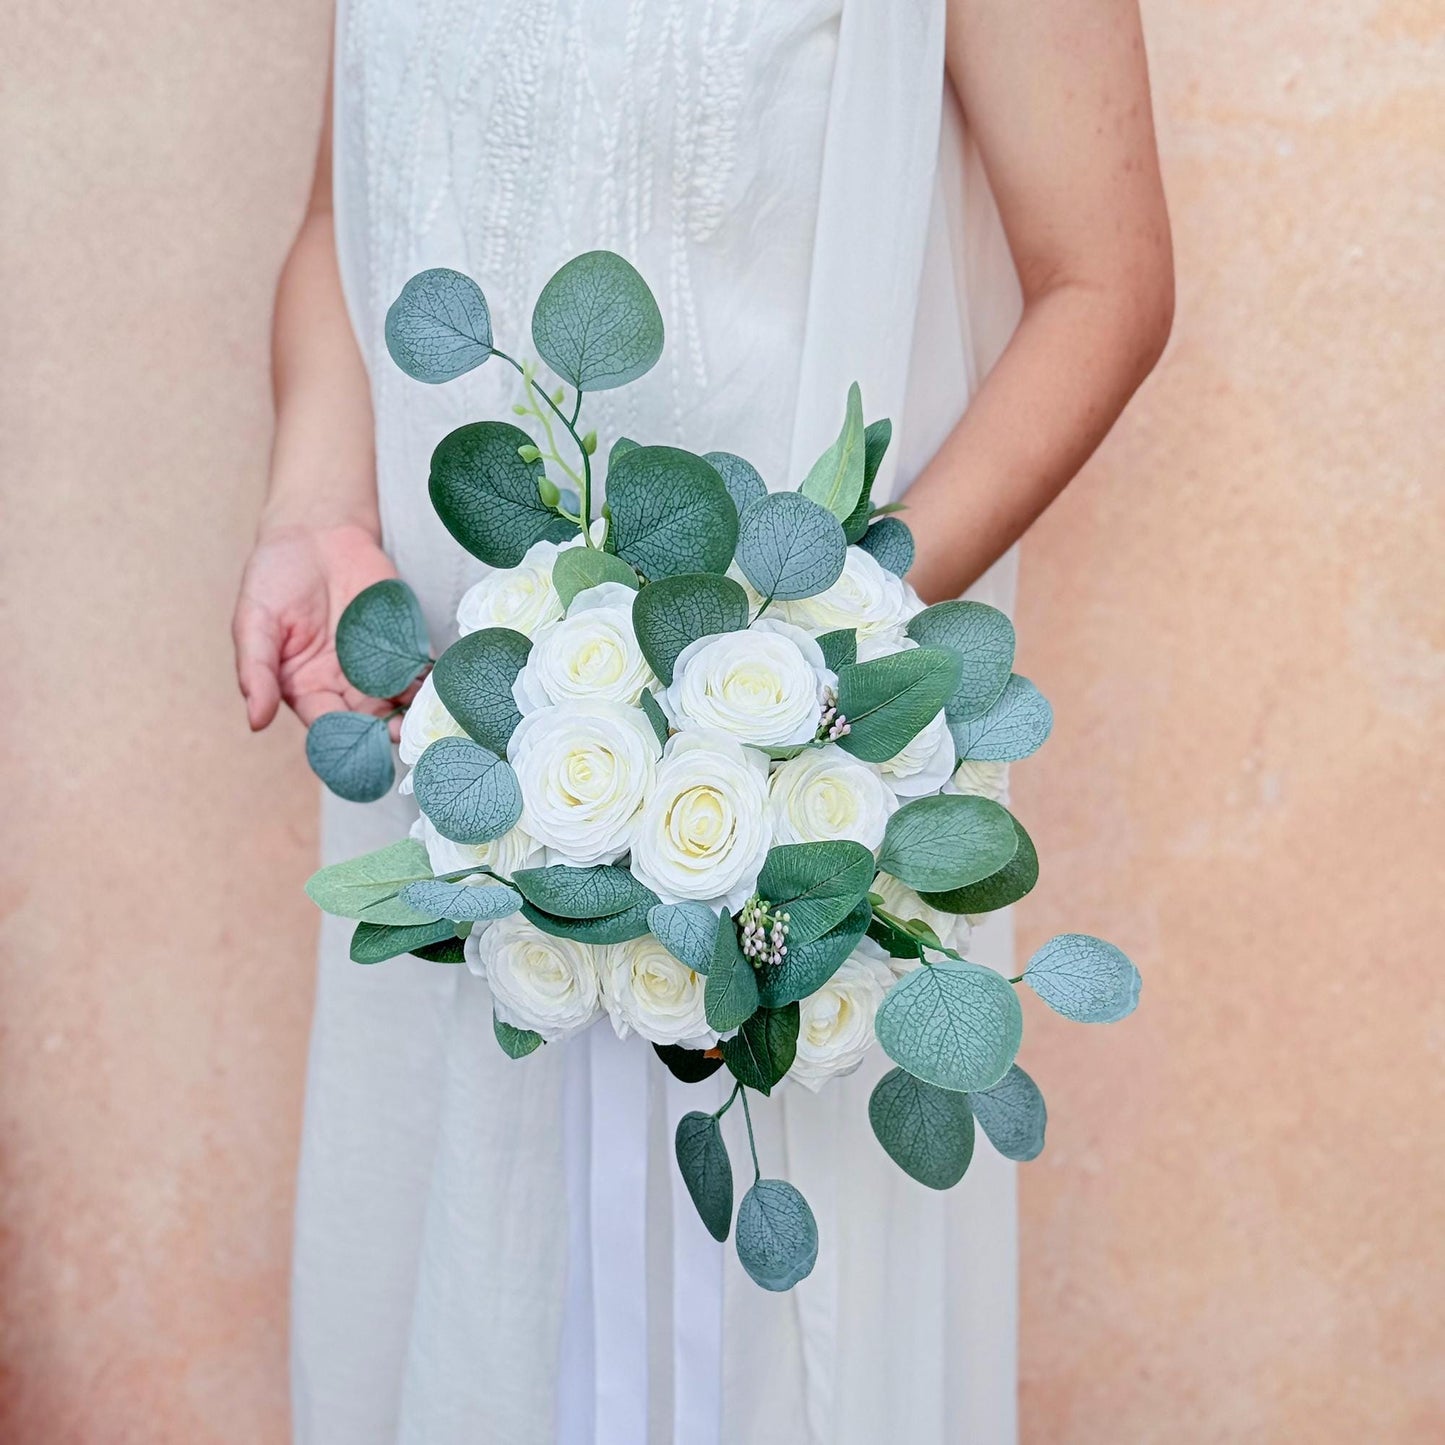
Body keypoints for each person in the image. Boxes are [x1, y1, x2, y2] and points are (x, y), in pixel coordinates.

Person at [233, 2, 1172, 1441]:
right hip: (444, 771)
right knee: (445, 1307)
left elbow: (1101, 279)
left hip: (790, 816)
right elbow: (336, 216)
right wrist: (315, 504)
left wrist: (800, 664)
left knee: (768, 1343)